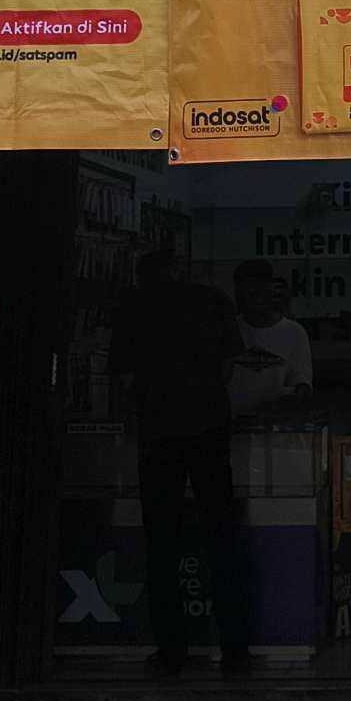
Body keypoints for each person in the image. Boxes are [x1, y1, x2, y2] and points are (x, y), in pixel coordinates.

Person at [110, 248, 253, 677]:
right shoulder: (213, 302)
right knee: (221, 538)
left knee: (162, 544)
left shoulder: (133, 308)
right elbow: (228, 368)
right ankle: (235, 649)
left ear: (143, 275)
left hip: (159, 433)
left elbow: (124, 376)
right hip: (209, 428)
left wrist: (151, 398)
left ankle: (172, 651)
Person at [228, 262, 313, 416]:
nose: (252, 299)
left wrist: (295, 397)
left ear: (270, 291)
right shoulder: (228, 329)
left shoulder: (294, 332)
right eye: (245, 292)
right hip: (232, 422)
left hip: (275, 424)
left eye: (257, 291)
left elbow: (301, 382)